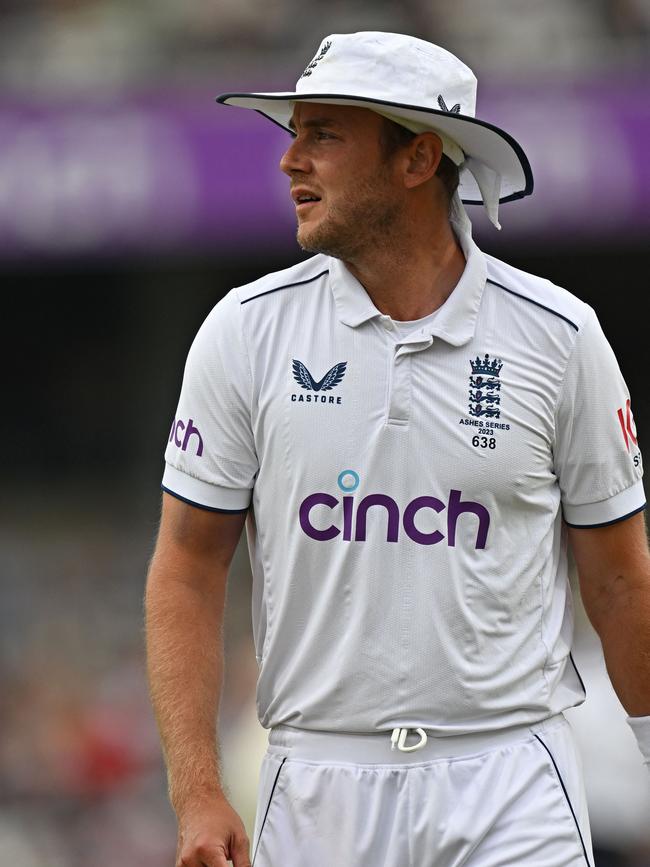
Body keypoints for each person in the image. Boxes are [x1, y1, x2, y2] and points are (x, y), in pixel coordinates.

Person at [145, 31, 650, 867]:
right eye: (294, 134)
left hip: (511, 775)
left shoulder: (560, 337)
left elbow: (621, 575)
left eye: (325, 136)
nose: (290, 162)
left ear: (419, 159)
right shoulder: (246, 331)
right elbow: (189, 565)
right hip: (315, 783)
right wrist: (196, 789)